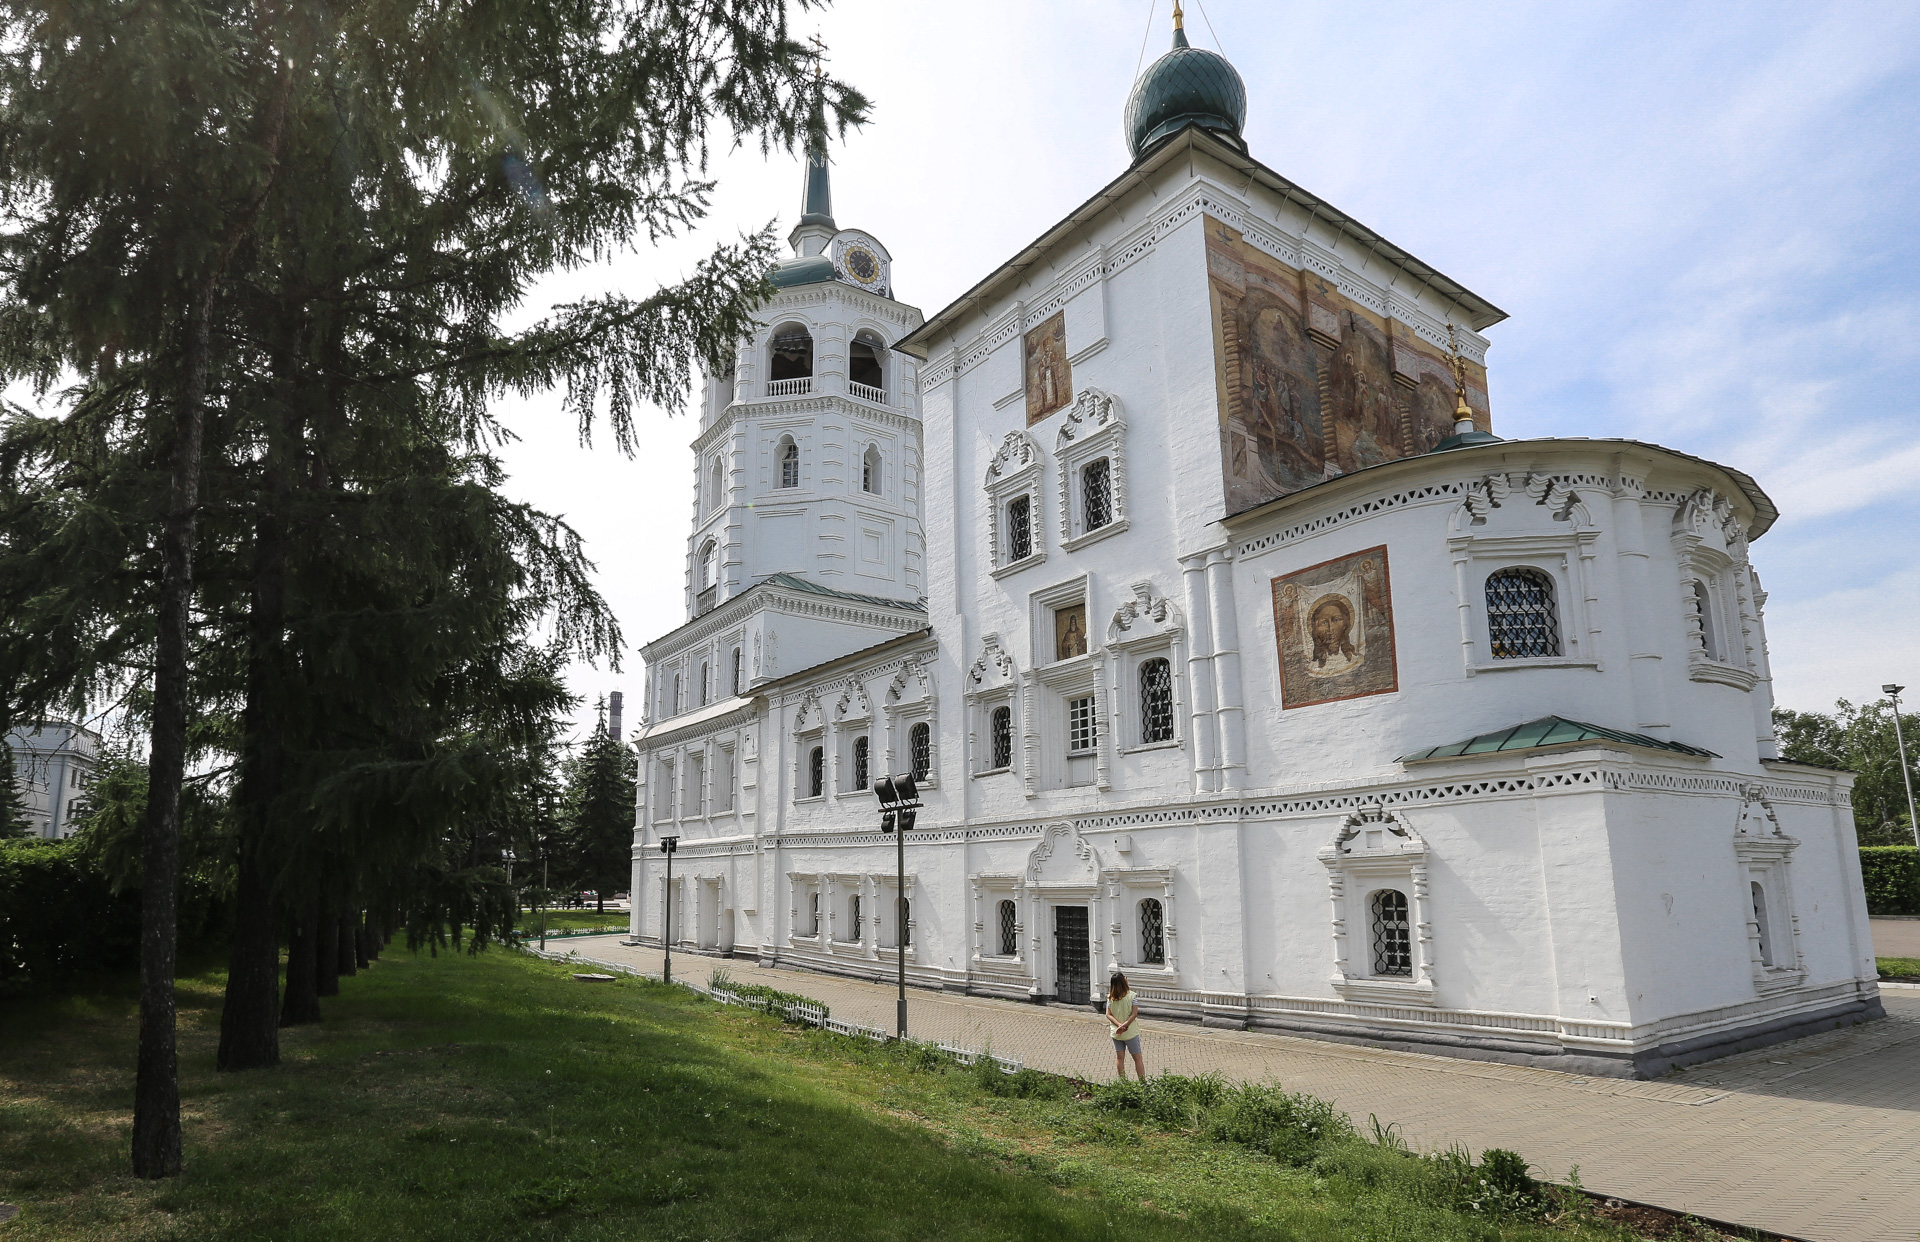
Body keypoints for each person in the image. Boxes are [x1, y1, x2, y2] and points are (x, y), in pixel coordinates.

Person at [1106, 972, 1145, 1081]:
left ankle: (1123, 1082)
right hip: (1130, 1033)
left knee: (1120, 1058)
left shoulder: (1110, 997)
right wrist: (1125, 1025)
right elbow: (1134, 1013)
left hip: (1116, 1033)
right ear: (1124, 981)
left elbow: (1108, 1014)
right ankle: (1142, 1082)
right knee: (1137, 1058)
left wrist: (1119, 1025)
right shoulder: (1132, 996)